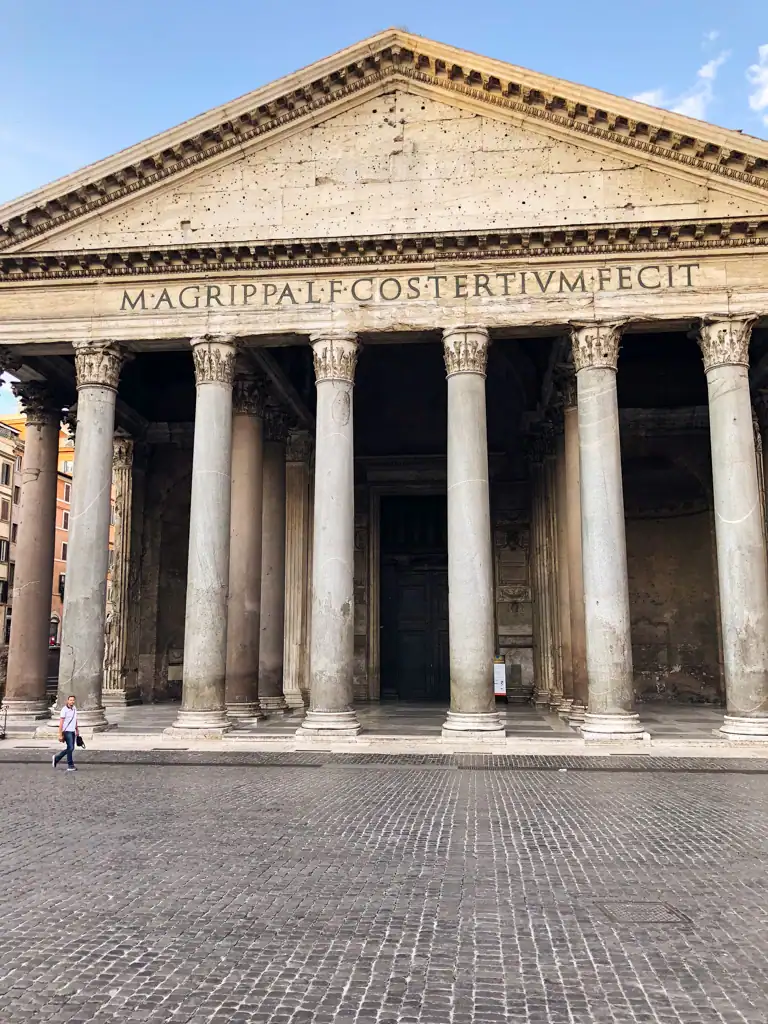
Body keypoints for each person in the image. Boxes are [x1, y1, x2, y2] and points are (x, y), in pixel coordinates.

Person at [52, 695, 79, 771]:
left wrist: (77, 729)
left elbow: (75, 719)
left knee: (70, 748)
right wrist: (60, 734)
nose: (72, 701)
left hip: (72, 731)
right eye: (70, 700)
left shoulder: (74, 708)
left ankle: (57, 758)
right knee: (70, 748)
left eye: (73, 700)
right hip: (67, 731)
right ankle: (70, 765)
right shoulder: (64, 710)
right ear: (67, 701)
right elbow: (61, 723)